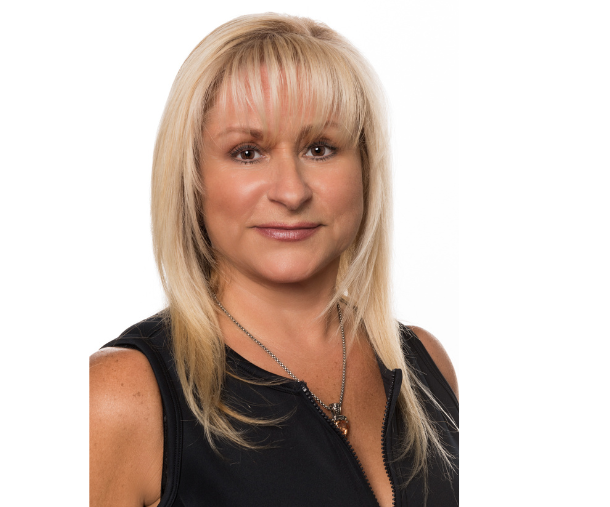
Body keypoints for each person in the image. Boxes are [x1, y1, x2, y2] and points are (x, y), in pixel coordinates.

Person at [90, 13, 458, 507]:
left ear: (365, 169)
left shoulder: (425, 367)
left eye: (320, 148)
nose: (291, 191)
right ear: (192, 177)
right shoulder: (120, 396)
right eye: (247, 152)